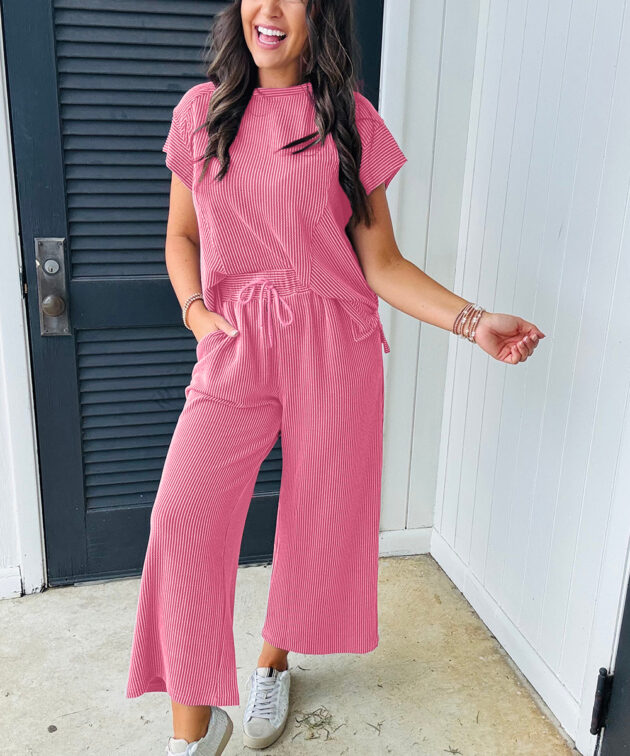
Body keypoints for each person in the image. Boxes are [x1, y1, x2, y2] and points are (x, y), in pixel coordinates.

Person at [125, 0, 546, 754]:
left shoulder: (350, 120)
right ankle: (193, 731)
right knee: (181, 518)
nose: (270, 10)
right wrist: (195, 313)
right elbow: (181, 235)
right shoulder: (201, 112)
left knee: (316, 519)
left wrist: (473, 321)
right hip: (236, 342)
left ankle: (272, 662)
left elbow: (381, 263)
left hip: (333, 344)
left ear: (320, 13)